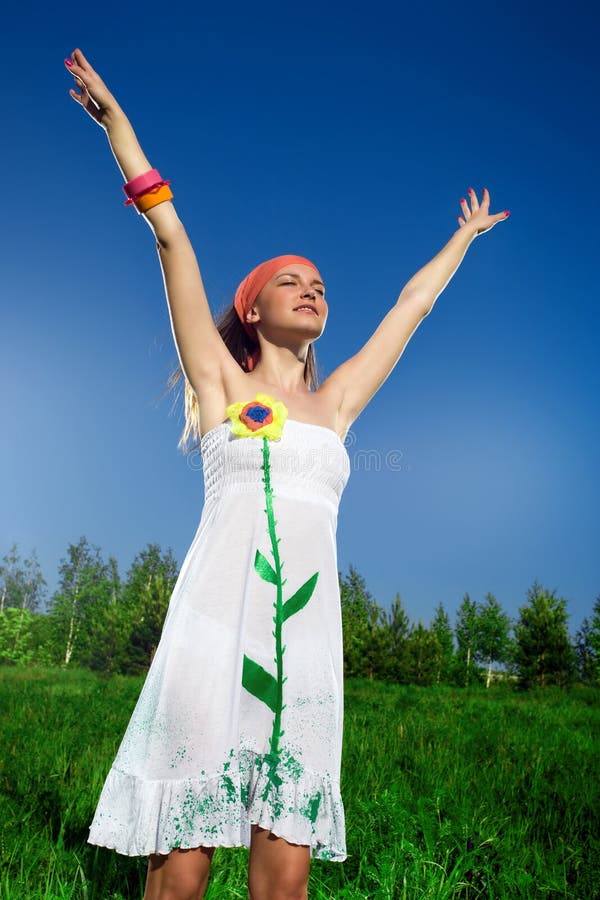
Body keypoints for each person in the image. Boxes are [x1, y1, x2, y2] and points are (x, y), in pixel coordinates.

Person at [64, 47, 509, 900]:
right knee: (180, 876)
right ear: (252, 307)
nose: (312, 291)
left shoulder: (337, 405)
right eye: (290, 282)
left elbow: (409, 310)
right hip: (210, 630)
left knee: (283, 878)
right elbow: (170, 235)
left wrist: (461, 239)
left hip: (304, 644)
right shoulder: (220, 387)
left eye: (321, 285)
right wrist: (121, 130)